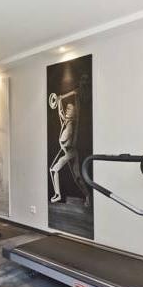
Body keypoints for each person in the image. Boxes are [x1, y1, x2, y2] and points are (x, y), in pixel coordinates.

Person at [49, 75, 91, 207]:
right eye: (67, 108)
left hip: (69, 152)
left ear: (74, 113)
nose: (67, 109)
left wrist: (67, 95)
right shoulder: (65, 122)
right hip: (67, 152)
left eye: (70, 109)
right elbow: (60, 111)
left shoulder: (73, 123)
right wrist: (59, 100)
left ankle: (58, 195)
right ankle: (87, 196)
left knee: (54, 170)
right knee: (77, 177)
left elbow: (76, 96)